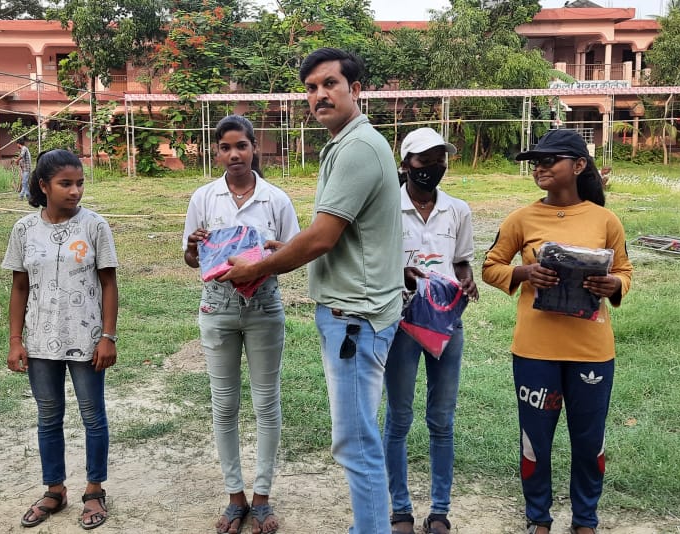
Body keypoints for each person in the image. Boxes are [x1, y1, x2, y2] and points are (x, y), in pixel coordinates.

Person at [220, 47, 404, 533]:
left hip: (355, 319)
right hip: (354, 314)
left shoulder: (358, 147)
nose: (319, 95)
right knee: (358, 437)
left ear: (355, 89)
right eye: (311, 88)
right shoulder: (347, 144)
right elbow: (340, 236)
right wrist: (286, 250)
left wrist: (258, 267)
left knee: (356, 442)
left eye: (330, 84)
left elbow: (322, 237)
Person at [481, 128, 632, 534]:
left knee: (589, 441)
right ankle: (538, 518)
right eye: (536, 162)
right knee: (536, 439)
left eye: (549, 160)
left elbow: (624, 271)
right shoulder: (521, 219)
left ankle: (585, 520)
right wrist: (524, 273)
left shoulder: (605, 220)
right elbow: (490, 266)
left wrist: (613, 285)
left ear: (579, 165)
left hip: (591, 351)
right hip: (535, 351)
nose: (539, 168)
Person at [184, 115, 300, 534]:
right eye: (225, 147)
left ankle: (262, 496)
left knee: (266, 402)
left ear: (254, 149)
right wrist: (194, 246)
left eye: (242, 146)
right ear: (216, 152)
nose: (234, 154)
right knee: (224, 404)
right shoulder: (204, 198)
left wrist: (275, 253)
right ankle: (235, 496)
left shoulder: (275, 200)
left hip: (264, 308)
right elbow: (191, 259)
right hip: (217, 310)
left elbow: (292, 253)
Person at [3, 149, 119, 530]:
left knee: (93, 416)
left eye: (80, 183)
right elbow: (20, 287)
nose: (75, 191)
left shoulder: (95, 226)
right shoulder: (24, 230)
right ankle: (54, 489)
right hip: (40, 342)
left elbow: (108, 284)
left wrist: (107, 336)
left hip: (87, 341)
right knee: (48, 416)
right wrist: (16, 340)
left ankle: (94, 490)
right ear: (43, 185)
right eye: (65, 184)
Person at [385, 128, 478, 534]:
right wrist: (399, 274)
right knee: (399, 418)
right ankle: (400, 510)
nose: (434, 167)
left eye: (440, 159)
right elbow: (373, 262)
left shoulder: (457, 210)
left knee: (442, 419)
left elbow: (461, 263)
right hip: (401, 324)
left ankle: (440, 512)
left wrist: (467, 280)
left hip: (445, 325)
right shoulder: (386, 207)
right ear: (405, 164)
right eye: (425, 160)